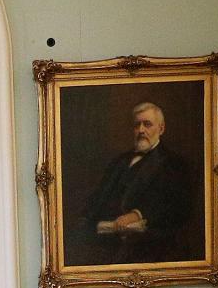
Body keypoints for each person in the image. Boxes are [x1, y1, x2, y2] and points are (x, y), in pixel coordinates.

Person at [73, 100, 198, 266]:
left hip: (147, 247)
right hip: (105, 239)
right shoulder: (119, 161)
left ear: (161, 129)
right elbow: (98, 197)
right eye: (137, 125)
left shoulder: (173, 163)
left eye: (147, 124)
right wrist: (86, 220)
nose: (141, 130)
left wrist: (137, 214)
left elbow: (177, 206)